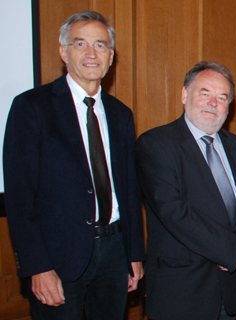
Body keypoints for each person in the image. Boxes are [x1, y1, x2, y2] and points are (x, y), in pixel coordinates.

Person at [3, 11, 144, 319]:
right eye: (81, 44)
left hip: (114, 253)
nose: (91, 53)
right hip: (57, 256)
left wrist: (133, 254)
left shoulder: (121, 114)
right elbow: (20, 197)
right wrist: (38, 266)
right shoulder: (31, 108)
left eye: (100, 45)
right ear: (63, 51)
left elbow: (130, 190)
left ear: (110, 56)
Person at [136, 61, 236, 320]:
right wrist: (231, 251)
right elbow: (173, 211)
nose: (213, 103)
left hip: (231, 283)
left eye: (222, 97)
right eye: (204, 93)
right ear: (185, 95)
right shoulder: (156, 144)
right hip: (182, 289)